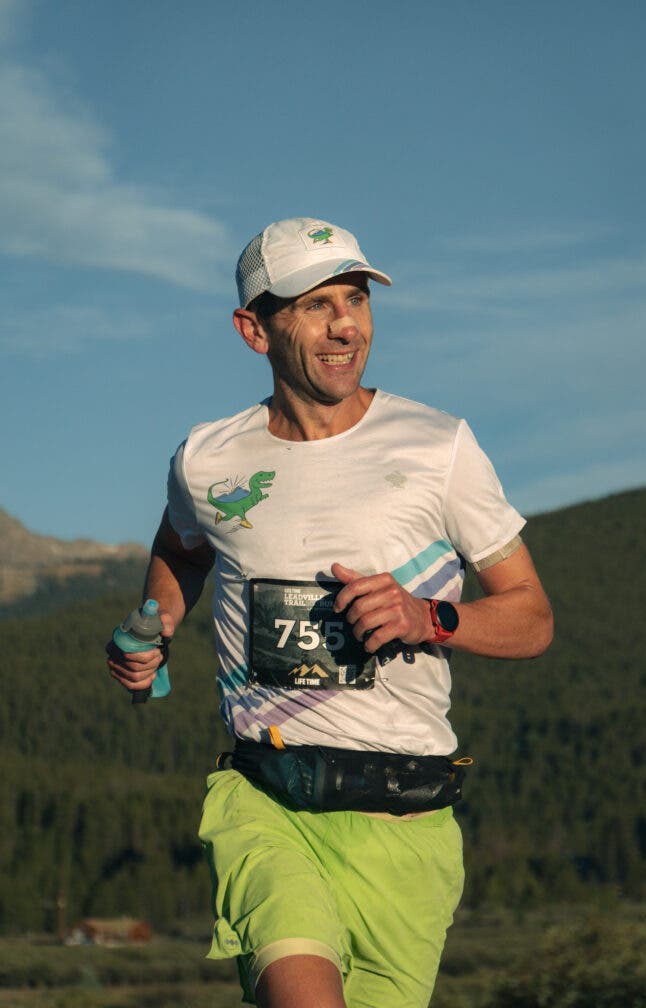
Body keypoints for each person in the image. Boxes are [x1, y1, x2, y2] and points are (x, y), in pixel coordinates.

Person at [107, 216, 553, 1008]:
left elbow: (530, 618)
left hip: (406, 821)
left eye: (355, 299)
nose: (346, 325)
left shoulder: (437, 444)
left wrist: (428, 618)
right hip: (267, 799)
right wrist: (153, 625)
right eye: (315, 306)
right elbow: (182, 547)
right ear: (255, 330)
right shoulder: (209, 458)